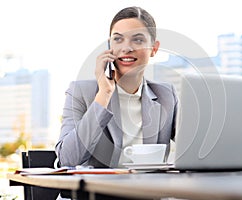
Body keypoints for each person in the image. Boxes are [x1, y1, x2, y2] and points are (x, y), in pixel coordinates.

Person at [55, 6, 178, 168]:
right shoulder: (80, 92)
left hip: (147, 191)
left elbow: (194, 148)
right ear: (109, 46)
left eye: (138, 40)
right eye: (118, 39)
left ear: (154, 48)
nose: (126, 48)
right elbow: (68, 158)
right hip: (96, 192)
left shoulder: (166, 95)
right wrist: (104, 95)